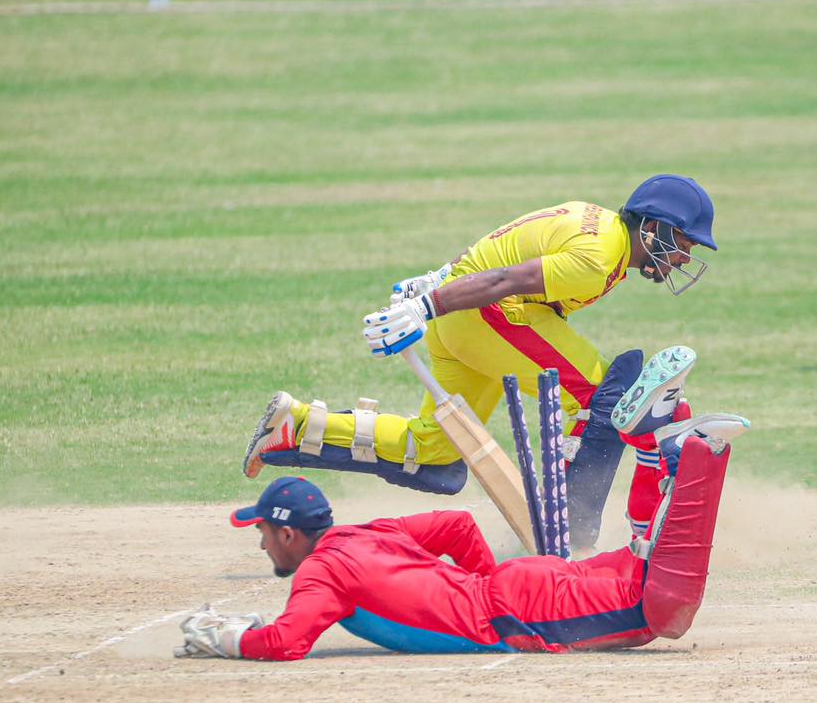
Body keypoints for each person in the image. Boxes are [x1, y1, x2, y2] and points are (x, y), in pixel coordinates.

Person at [240, 174, 718, 550]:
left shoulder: (593, 219)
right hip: (482, 316)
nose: (684, 257)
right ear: (652, 228)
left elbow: (501, 244)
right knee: (604, 401)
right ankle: (567, 533)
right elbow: (506, 278)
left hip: (464, 321)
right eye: (684, 243)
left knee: (435, 450)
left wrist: (441, 278)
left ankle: (297, 424)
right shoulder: (597, 257)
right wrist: (427, 305)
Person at [176, 413, 748, 661]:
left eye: (263, 533)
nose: (262, 546)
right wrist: (485, 584)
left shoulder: (321, 573)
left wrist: (229, 638)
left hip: (520, 610)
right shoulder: (364, 534)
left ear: (287, 532)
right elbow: (457, 525)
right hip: (520, 585)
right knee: (646, 571)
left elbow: (287, 642)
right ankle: (665, 441)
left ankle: (683, 455)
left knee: (660, 610)